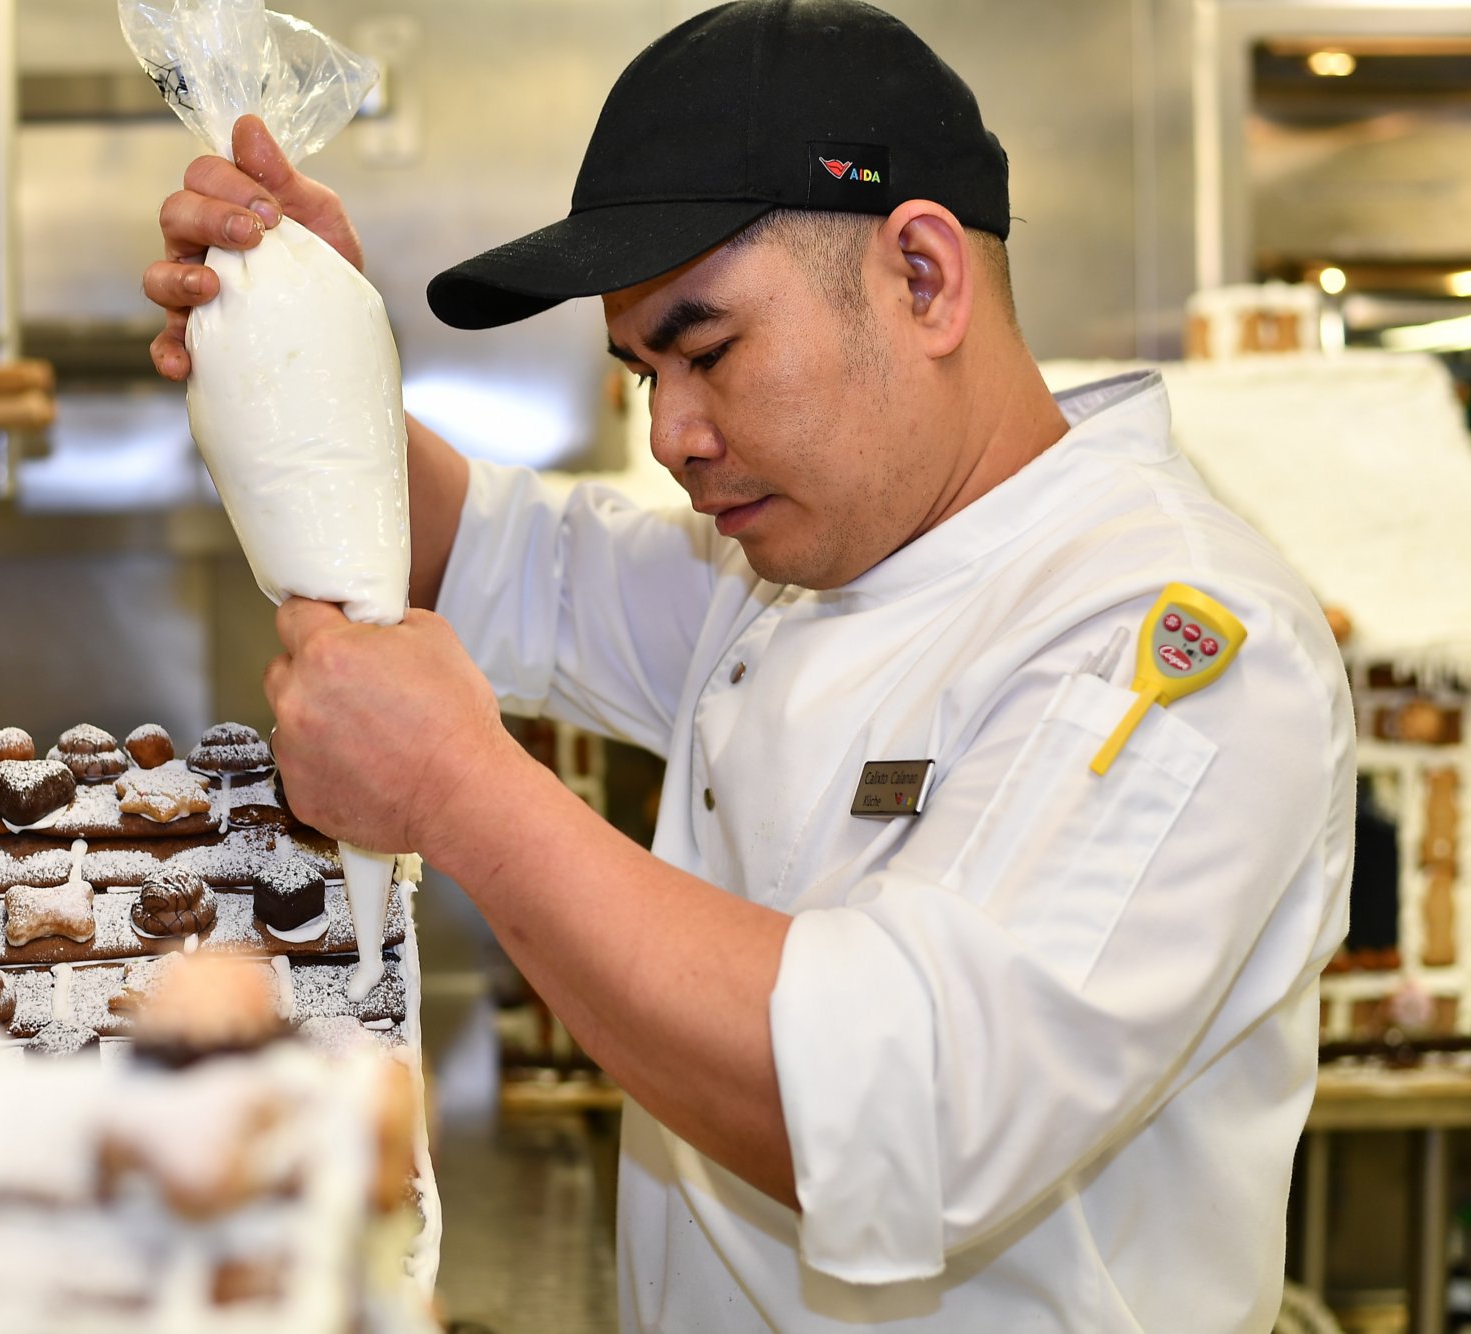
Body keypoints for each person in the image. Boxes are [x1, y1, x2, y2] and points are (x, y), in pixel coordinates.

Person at [146, 1, 1354, 1328]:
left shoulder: (1172, 638)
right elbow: (500, 558)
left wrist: (459, 790)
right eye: (640, 369)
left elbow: (915, 1108)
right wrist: (303, 347)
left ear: (926, 277)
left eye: (709, 350)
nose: (672, 433)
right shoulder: (794, 561)